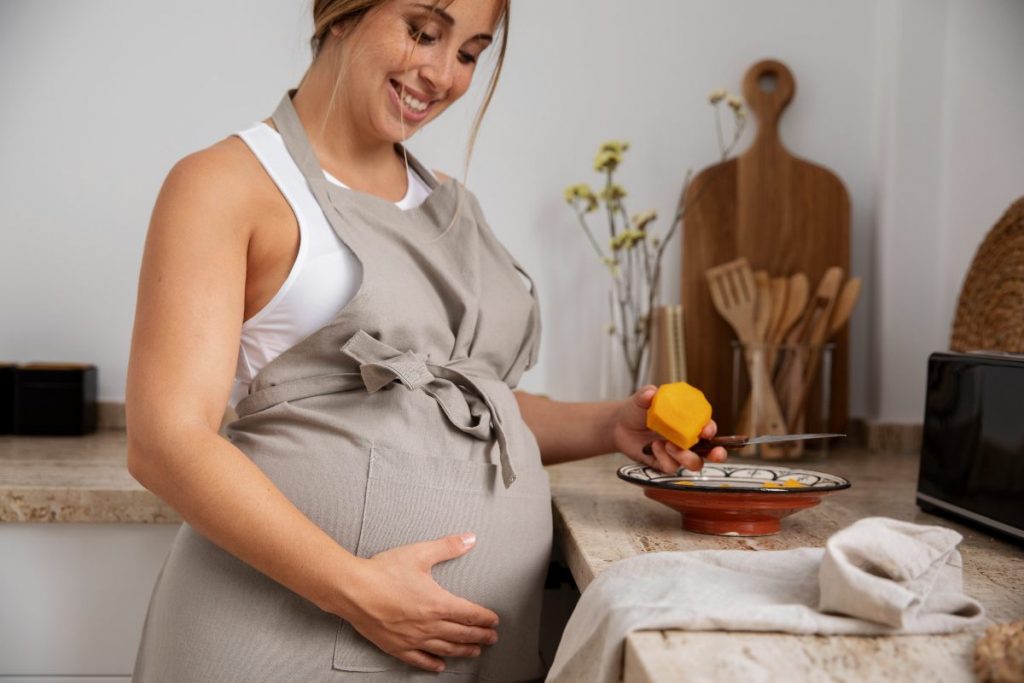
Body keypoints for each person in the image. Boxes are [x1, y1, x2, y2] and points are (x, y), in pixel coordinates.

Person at [125, 0, 726, 680]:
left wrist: (610, 422)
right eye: (423, 32)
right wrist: (356, 590)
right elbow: (165, 440)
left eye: (470, 52)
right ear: (342, 14)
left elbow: (467, 403)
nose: (442, 73)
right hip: (284, 640)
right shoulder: (226, 185)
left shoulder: (449, 201)